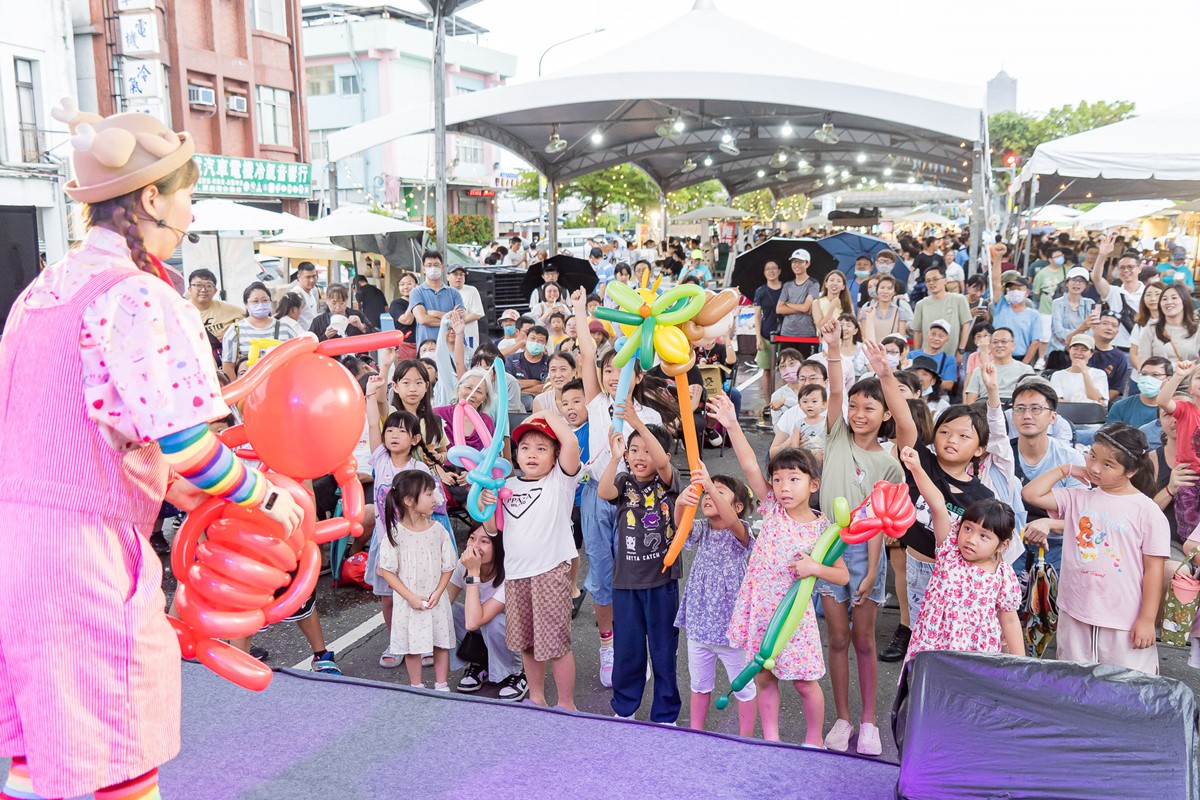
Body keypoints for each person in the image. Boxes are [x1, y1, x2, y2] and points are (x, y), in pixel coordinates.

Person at [0, 104, 304, 800]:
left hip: (16, 549)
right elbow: (187, 443)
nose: (190, 215)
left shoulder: (41, 292)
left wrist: (171, 481)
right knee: (119, 758)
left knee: (40, 758)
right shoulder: (135, 294)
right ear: (148, 200)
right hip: (84, 559)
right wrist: (266, 497)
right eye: (186, 196)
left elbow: (79, 427)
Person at [715, 395, 848, 746]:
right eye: (778, 480)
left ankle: (814, 739)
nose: (784, 487)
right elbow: (747, 465)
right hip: (759, 609)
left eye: (794, 479)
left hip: (793, 618)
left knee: (806, 683)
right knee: (764, 678)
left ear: (813, 485)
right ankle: (771, 739)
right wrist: (731, 424)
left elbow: (842, 576)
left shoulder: (823, 529)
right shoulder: (772, 508)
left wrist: (814, 567)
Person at [815, 326, 908, 755]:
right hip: (828, 548)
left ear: (884, 413)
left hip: (867, 553)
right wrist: (834, 350)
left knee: (864, 639)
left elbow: (880, 522)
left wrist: (872, 571)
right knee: (835, 638)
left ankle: (869, 721)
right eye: (854, 406)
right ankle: (842, 718)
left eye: (869, 408)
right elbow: (834, 391)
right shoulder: (835, 437)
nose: (857, 413)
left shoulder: (888, 462)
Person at [573, 289, 665, 688]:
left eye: (622, 369)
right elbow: (584, 349)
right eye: (609, 369)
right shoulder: (595, 404)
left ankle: (632, 645)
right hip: (597, 495)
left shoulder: (649, 415)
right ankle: (608, 645)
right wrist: (579, 312)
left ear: (638, 375)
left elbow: (660, 466)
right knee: (602, 574)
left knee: (636, 575)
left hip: (638, 501)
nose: (613, 375)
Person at [1022, 424, 1168, 674]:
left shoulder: (1147, 510)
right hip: (1075, 610)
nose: (1094, 467)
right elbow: (1031, 493)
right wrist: (1066, 469)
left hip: (1122, 618)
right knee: (1075, 680)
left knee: (1126, 685)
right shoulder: (1079, 497)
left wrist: (1146, 620)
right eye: (1092, 456)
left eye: (1108, 464)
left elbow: (1155, 569)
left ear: (1131, 470)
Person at [480, 413, 582, 709]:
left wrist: (546, 413)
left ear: (555, 456)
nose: (532, 454)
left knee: (556, 644)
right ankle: (536, 698)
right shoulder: (506, 485)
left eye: (541, 448)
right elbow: (493, 529)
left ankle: (566, 704)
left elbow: (572, 442)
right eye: (525, 448)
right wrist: (488, 505)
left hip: (550, 572)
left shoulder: (560, 481)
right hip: (516, 575)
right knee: (527, 642)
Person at [899, 447, 1023, 664]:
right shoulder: (949, 550)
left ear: (1002, 545)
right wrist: (917, 468)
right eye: (967, 528)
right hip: (933, 647)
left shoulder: (1004, 575)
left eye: (984, 536)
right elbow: (937, 503)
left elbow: (1010, 620)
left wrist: (1021, 664)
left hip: (977, 656)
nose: (971, 539)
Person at [598, 416, 681, 724]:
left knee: (663, 652)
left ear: (663, 456)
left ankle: (665, 712)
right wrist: (616, 456)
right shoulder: (624, 482)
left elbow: (660, 462)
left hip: (662, 582)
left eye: (648, 450)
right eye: (634, 450)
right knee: (628, 650)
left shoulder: (669, 482)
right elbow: (604, 492)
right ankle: (624, 706)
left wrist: (635, 420)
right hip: (626, 582)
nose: (640, 456)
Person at [365, 389, 451, 665]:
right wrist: (370, 397)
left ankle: (424, 643)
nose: (392, 435)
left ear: (415, 439)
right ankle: (396, 644)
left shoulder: (420, 469)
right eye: (389, 430)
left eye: (401, 431)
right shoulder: (379, 458)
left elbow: (435, 507)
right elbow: (371, 424)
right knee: (389, 598)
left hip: (415, 546)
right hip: (385, 541)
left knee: (420, 593)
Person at [674, 465, 758, 736]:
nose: (708, 496)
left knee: (743, 686)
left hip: (732, 629)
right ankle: (696, 733)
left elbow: (733, 523)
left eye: (718, 492)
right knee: (699, 684)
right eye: (706, 493)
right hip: (700, 624)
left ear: (738, 505)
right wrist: (679, 503)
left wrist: (708, 484)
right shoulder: (702, 529)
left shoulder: (740, 531)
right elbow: (680, 525)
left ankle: (746, 739)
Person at [376, 470, 456, 690]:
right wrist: (410, 597)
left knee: (440, 642)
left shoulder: (438, 530)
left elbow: (448, 566)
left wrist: (439, 592)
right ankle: (416, 686)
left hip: (434, 598)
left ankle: (442, 685)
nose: (435, 498)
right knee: (412, 646)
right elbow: (388, 570)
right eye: (429, 494)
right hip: (408, 602)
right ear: (409, 500)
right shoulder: (395, 534)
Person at [1010, 379, 1087, 574]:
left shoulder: (1070, 458)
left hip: (1057, 544)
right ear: (1012, 416)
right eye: (1020, 409)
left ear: (1053, 417)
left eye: (1036, 409)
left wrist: (1049, 525)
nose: (1027, 415)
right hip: (1009, 540)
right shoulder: (1003, 455)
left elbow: (1082, 518)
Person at [447, 527, 528, 701]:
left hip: (515, 635)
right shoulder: (465, 565)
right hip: (482, 626)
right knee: (446, 612)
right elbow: (444, 602)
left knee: (493, 622)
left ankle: (516, 672)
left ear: (499, 546)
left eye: (484, 541)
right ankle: (479, 661)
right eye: (472, 538)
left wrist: (473, 574)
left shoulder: (510, 574)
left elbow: (473, 623)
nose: (475, 547)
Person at [220, 281, 305, 380]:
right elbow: (228, 366)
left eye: (265, 300)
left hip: (279, 385)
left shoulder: (285, 328)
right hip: (248, 389)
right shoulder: (235, 331)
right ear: (246, 304)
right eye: (255, 301)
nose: (261, 304)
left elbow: (298, 357)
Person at [1156, 363, 1200, 540]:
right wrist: (1178, 375)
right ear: (1190, 388)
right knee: (1187, 523)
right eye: (1199, 377)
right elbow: (1162, 401)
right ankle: (1190, 556)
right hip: (1187, 475)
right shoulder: (1185, 409)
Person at [1091, 234, 1145, 351]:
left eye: (1130, 267)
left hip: (1141, 350)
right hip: (1117, 349)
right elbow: (1096, 278)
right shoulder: (1114, 292)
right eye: (1122, 267)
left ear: (1139, 268)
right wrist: (1102, 255)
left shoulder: (1149, 293)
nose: (1126, 270)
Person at [911, 264, 971, 357]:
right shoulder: (921, 304)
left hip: (951, 355)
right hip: (926, 356)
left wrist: (961, 350)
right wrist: (917, 354)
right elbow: (918, 332)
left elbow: (965, 326)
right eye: (928, 281)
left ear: (945, 280)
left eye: (935, 279)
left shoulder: (958, 299)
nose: (931, 283)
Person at [962, 327, 1032, 403]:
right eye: (995, 342)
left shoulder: (1025, 370)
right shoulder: (979, 371)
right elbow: (971, 400)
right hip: (985, 410)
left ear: (1013, 346)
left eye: (1004, 341)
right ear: (990, 346)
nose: (999, 345)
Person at [1138, 283, 1200, 367]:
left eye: (1174, 298)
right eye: (1164, 299)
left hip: (1188, 378)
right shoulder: (1150, 329)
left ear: (1184, 301)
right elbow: (1143, 362)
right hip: (1159, 379)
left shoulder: (1196, 330)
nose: (1169, 302)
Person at [989, 269, 1043, 365]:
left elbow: (1035, 342)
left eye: (1018, 289)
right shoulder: (1000, 308)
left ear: (1026, 293)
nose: (1014, 292)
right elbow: (995, 283)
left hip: (1020, 359)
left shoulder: (1033, 315)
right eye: (1011, 289)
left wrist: (1023, 364)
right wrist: (998, 258)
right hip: (996, 358)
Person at [409, 251, 463, 346]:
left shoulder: (454, 293)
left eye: (436, 265)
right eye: (429, 265)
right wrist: (449, 320)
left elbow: (459, 320)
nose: (433, 268)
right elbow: (423, 319)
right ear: (423, 269)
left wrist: (434, 313)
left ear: (442, 268)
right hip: (427, 347)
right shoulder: (416, 292)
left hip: (451, 346)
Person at [776, 248, 820, 352]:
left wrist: (789, 304)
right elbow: (779, 309)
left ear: (807, 264)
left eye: (800, 262)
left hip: (807, 334)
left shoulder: (813, 284)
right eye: (794, 262)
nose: (796, 265)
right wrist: (802, 308)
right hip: (786, 333)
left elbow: (805, 307)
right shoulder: (787, 285)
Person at [1109, 357, 1172, 430]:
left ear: (1169, 379)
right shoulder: (1120, 406)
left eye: (1155, 375)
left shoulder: (1175, 409)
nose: (1148, 378)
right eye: (1144, 374)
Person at [754, 260, 785, 407]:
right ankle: (768, 403)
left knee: (786, 370)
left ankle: (782, 402)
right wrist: (758, 337)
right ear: (764, 272)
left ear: (779, 271)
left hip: (785, 334)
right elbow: (757, 316)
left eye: (774, 268)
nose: (771, 271)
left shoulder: (787, 288)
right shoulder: (760, 291)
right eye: (768, 269)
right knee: (766, 370)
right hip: (766, 334)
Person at [769, 383, 827, 461]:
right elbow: (795, 447)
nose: (809, 405)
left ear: (823, 404)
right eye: (805, 402)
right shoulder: (798, 424)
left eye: (814, 401)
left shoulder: (827, 422)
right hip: (805, 460)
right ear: (799, 404)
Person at [187, 267, 243, 346]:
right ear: (189, 289)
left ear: (215, 291)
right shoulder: (180, 311)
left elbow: (250, 318)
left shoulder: (228, 309)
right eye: (198, 285)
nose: (203, 290)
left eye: (209, 286)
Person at [1089, 309, 1133, 406]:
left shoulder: (1119, 357)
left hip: (1100, 405)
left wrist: (1099, 403)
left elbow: (1116, 389)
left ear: (1117, 332)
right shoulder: (1083, 348)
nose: (1109, 328)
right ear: (1094, 326)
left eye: (1114, 326)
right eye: (1105, 323)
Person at [1050, 334, 1109, 405]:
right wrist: (1082, 403)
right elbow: (1057, 402)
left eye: (1084, 350)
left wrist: (1085, 372)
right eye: (1075, 349)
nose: (1078, 353)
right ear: (1069, 350)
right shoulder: (1058, 375)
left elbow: (1098, 401)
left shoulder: (1099, 374)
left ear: (1091, 354)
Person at [309, 282, 374, 342]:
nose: (338, 308)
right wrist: (325, 336)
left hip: (356, 353)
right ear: (327, 301)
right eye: (333, 303)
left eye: (341, 303)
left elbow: (375, 338)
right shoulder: (318, 322)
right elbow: (310, 345)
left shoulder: (357, 315)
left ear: (347, 301)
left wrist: (362, 327)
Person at [907, 319, 958, 395]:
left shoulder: (950, 360)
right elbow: (905, 377)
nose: (936, 338)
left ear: (947, 340)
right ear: (927, 335)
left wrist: (925, 383)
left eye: (941, 336)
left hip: (937, 397)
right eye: (933, 334)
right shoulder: (911, 355)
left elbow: (949, 384)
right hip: (912, 394)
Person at [506, 325, 551, 409]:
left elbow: (545, 388)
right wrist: (534, 382)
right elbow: (508, 385)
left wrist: (518, 390)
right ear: (526, 339)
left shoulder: (550, 362)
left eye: (540, 340)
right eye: (532, 339)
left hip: (543, 406)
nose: (535, 343)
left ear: (545, 343)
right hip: (514, 406)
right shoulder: (512, 360)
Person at [858, 274, 911, 343]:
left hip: (891, 351)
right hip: (871, 350)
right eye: (882, 288)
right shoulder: (868, 310)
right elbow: (864, 336)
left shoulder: (900, 311)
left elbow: (901, 338)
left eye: (889, 288)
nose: (885, 291)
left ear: (894, 292)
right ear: (877, 290)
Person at [446, 264, 485, 349]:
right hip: (449, 337)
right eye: (455, 274)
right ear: (447, 276)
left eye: (461, 274)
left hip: (468, 337)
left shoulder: (471, 290)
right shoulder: (444, 292)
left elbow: (477, 314)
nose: (459, 277)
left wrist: (457, 322)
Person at [1128, 280, 1163, 372]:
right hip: (1141, 378)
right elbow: (1134, 353)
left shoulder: (1174, 323)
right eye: (1148, 295)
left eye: (1157, 294)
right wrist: (1144, 372)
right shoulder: (1140, 324)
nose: (1153, 298)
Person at [767, 348, 806, 429]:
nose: (788, 369)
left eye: (792, 364)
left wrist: (786, 401)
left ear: (802, 364)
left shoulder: (815, 389)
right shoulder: (777, 396)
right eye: (783, 366)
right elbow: (777, 428)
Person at [387, 271, 419, 359]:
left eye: (409, 283)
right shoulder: (396, 304)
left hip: (424, 342)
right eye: (402, 284)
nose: (405, 287)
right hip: (407, 345)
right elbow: (407, 320)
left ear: (417, 285)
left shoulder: (421, 301)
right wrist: (414, 299)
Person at [289, 261, 325, 331]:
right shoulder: (296, 294)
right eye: (308, 277)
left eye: (314, 276)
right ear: (299, 277)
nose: (312, 280)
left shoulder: (314, 291)